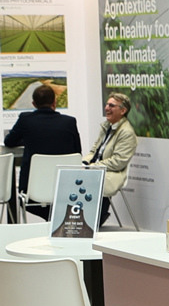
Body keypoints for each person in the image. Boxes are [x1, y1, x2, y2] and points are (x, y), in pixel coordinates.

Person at [4, 83, 81, 218]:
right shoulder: (69, 122)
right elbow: (77, 151)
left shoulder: (25, 119)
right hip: (65, 190)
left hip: (32, 193)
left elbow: (9, 141)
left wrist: (28, 139)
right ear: (54, 102)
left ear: (34, 104)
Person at [83, 91, 137, 226]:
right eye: (107, 104)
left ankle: (94, 219)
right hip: (97, 169)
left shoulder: (127, 133)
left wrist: (93, 167)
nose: (107, 108)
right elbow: (94, 151)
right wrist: (84, 162)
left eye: (112, 106)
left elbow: (118, 162)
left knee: (88, 180)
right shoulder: (106, 126)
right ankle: (81, 219)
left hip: (111, 173)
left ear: (123, 111)